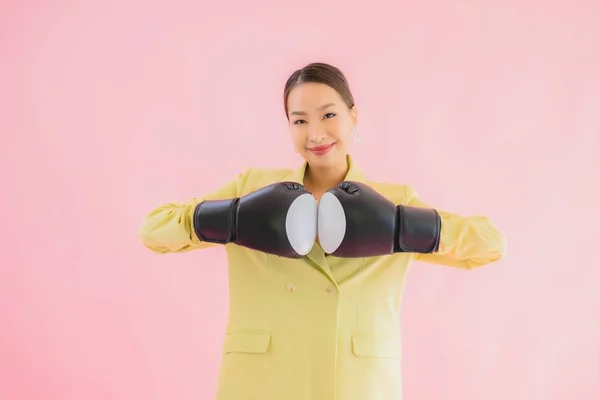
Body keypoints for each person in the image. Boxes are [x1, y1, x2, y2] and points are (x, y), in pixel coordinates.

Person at [139, 62, 507, 400]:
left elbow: (490, 245)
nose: (315, 133)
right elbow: (154, 231)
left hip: (354, 384)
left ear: (353, 117)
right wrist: (234, 218)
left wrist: (398, 225)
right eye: (299, 121)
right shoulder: (252, 187)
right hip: (260, 381)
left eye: (328, 115)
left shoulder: (394, 199)